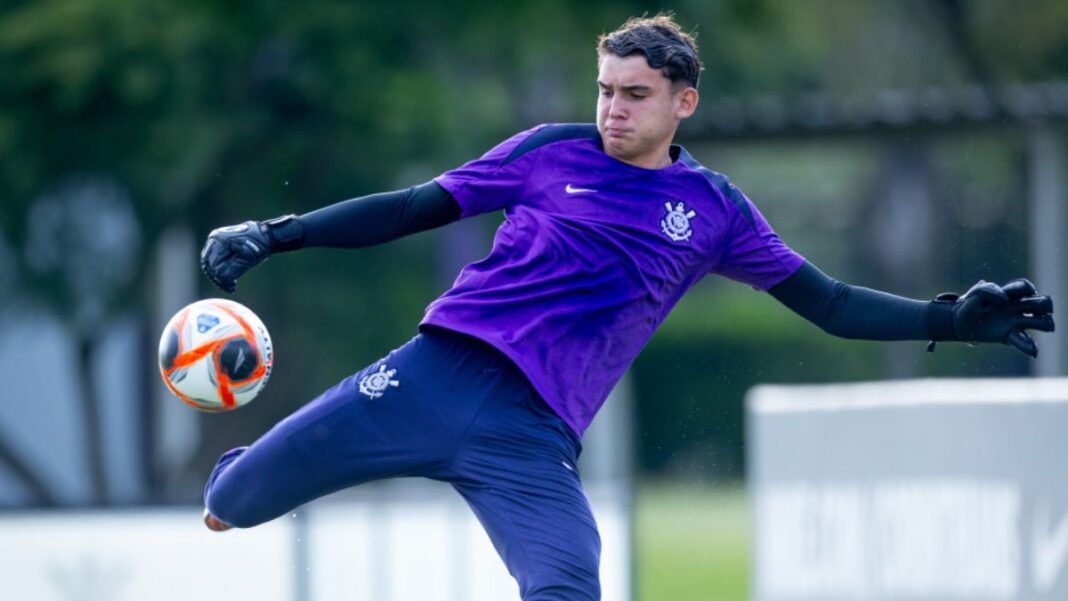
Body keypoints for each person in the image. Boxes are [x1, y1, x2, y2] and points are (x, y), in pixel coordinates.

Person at [197, 15, 1054, 601]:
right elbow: (413, 207)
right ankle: (247, 464)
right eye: (605, 89)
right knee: (229, 502)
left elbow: (827, 303)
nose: (612, 107)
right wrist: (278, 233)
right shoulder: (545, 153)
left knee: (570, 588)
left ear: (683, 101)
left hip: (530, 438)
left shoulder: (715, 210)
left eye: (634, 94)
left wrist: (949, 318)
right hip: (430, 375)